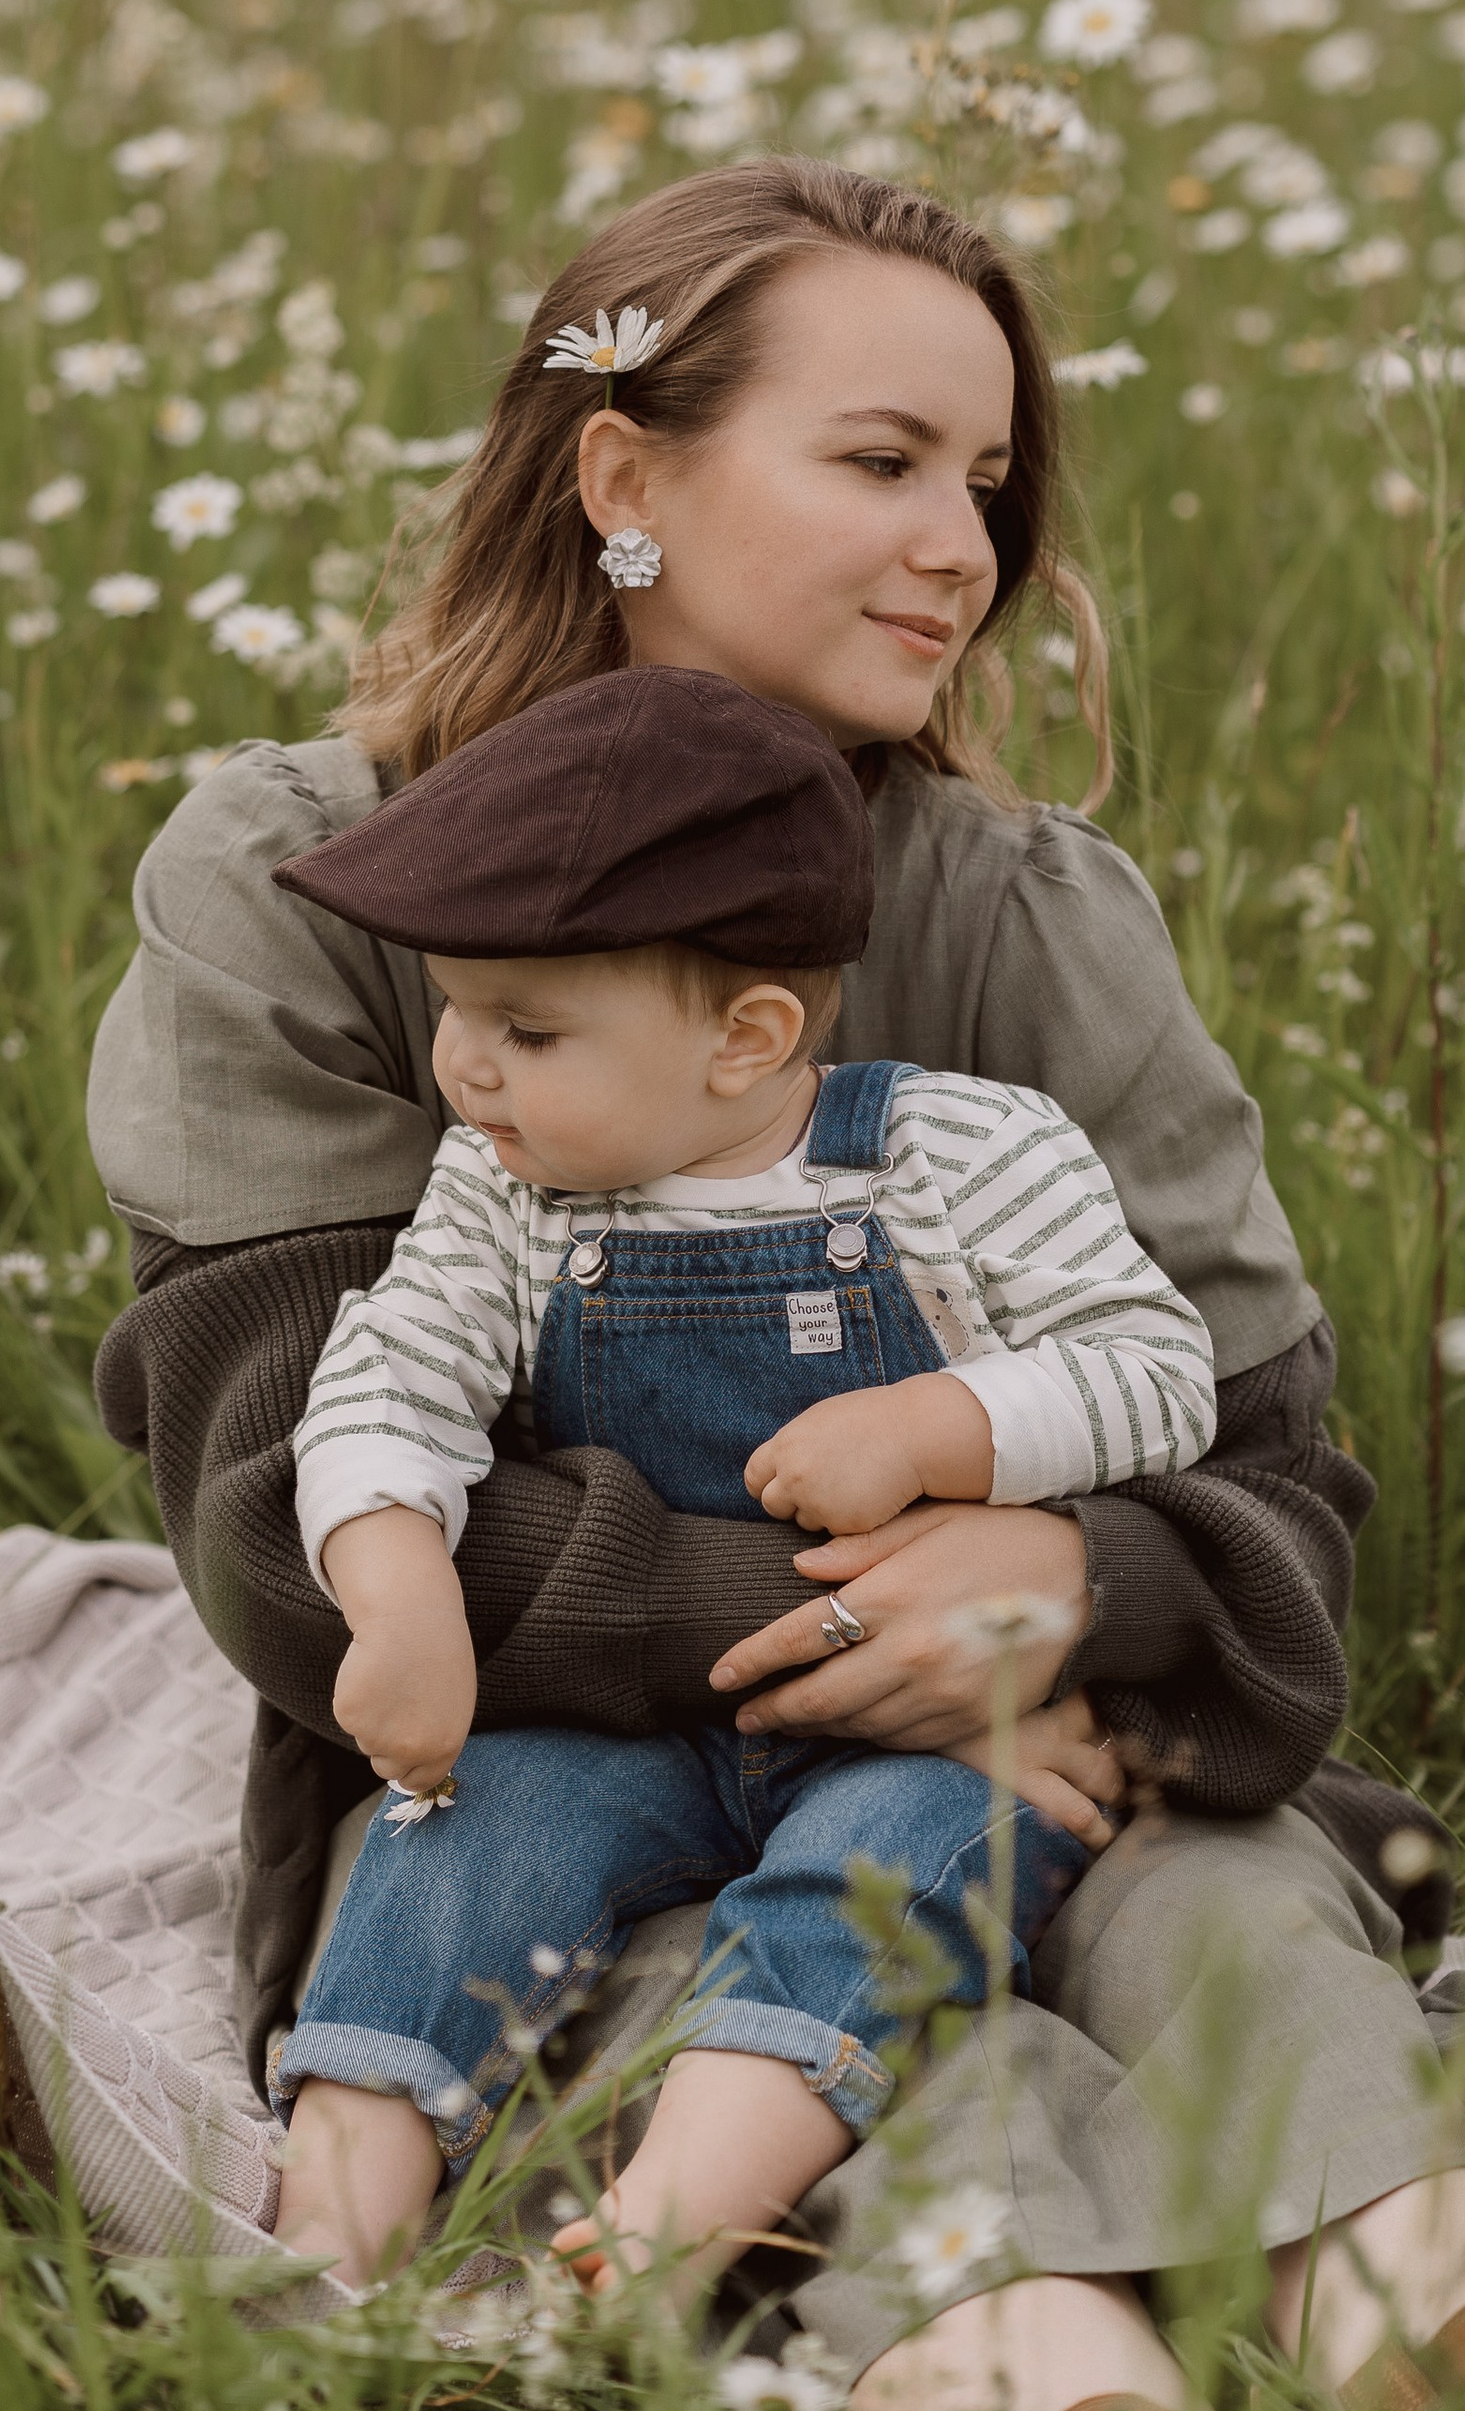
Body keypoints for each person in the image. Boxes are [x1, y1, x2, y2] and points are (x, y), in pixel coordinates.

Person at [88, 159, 1465, 2411]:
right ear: (622, 476)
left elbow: (1274, 1496)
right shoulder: (312, 895)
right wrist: (908, 1623)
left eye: (985, 483)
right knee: (773, 2031)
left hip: (1061, 1753)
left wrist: (1063, 1574)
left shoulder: (1025, 916)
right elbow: (286, 1524)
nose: (957, 543)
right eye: (877, 462)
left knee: (1226, 1916)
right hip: (547, 1780)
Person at [263, 663, 1216, 2296]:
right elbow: (388, 1377)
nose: (464, 1069)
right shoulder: (503, 1195)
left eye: (527, 1028)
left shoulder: (961, 1157)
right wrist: (396, 1582)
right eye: (457, 1011)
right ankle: (323, 2235)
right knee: (456, 1841)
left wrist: (935, 1433)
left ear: (749, 1036)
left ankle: (670, 2224)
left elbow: (1155, 1370)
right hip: (614, 1719)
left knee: (880, 1886)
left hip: (916, 1718)